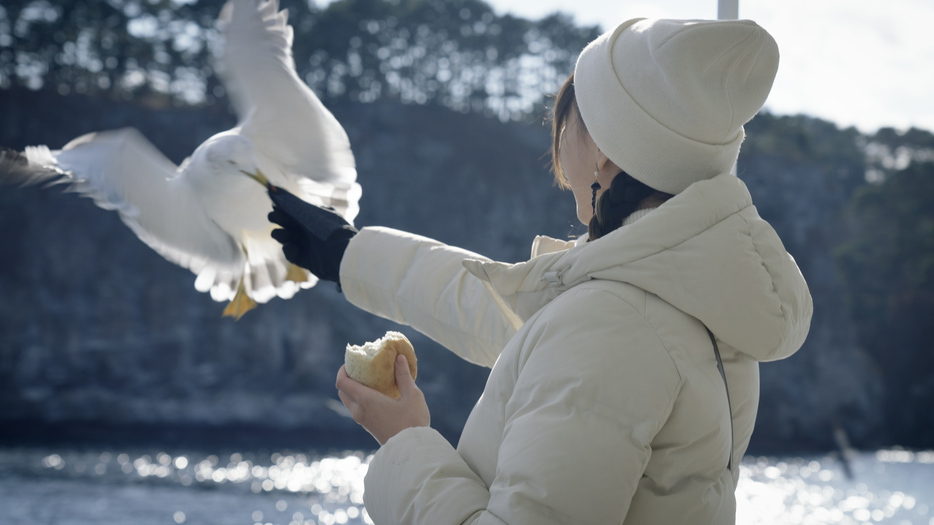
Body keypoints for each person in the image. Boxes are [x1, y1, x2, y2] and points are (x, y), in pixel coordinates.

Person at [268, 17, 812, 524]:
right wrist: (346, 254)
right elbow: (511, 314)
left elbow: (570, 337)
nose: (558, 146)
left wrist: (406, 442)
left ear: (602, 149)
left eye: (567, 119)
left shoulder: (612, 321)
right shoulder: (694, 286)